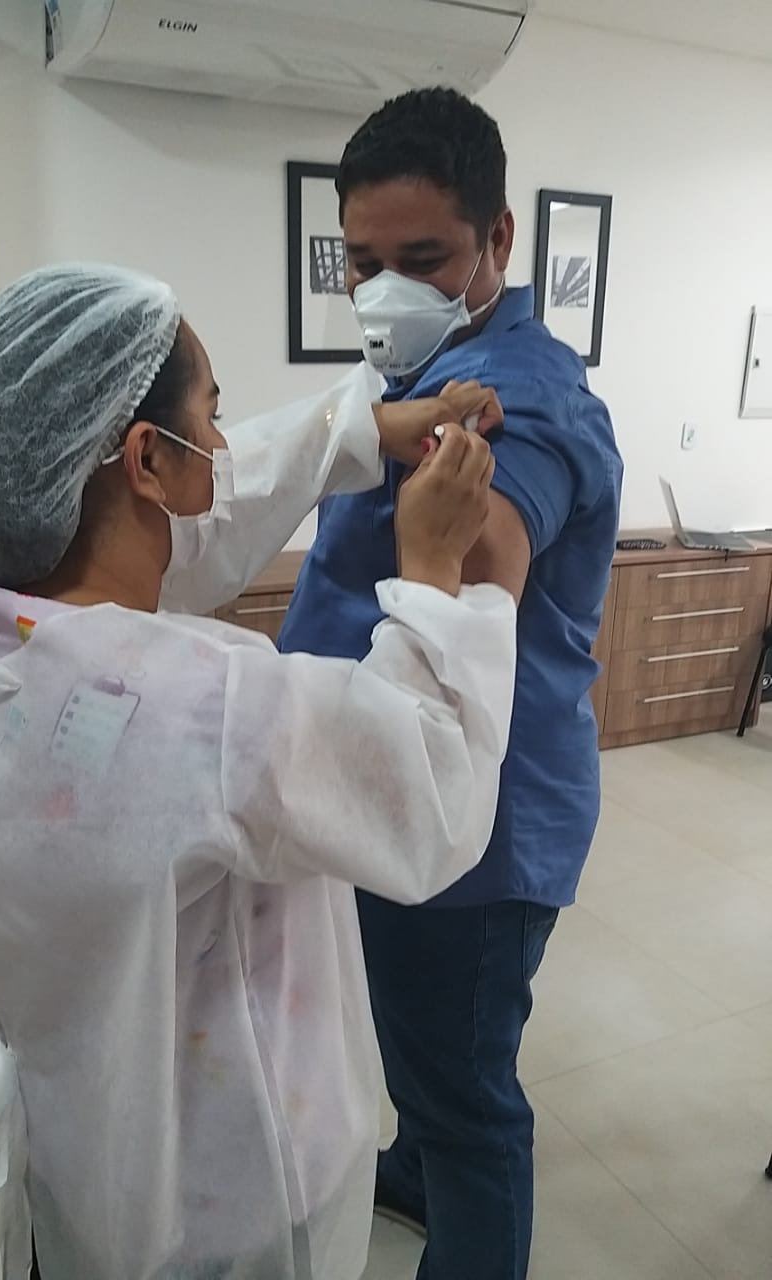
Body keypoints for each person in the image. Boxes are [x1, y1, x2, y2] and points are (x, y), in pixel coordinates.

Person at [0, 262, 519, 1280]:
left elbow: (170, 531)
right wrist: (434, 574)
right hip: (231, 1201)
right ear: (147, 458)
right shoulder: (204, 706)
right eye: (212, 418)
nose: (225, 450)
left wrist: (362, 431)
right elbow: (426, 791)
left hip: (83, 1161)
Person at [279, 89, 623, 1280]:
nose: (384, 291)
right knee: (419, 1043)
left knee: (468, 1089)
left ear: (496, 239)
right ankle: (416, 1164)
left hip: (475, 829)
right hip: (393, 782)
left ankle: (451, 1180)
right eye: (362, 262)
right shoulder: (426, 367)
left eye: (420, 260)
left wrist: (447, 525)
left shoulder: (519, 394)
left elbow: (487, 560)